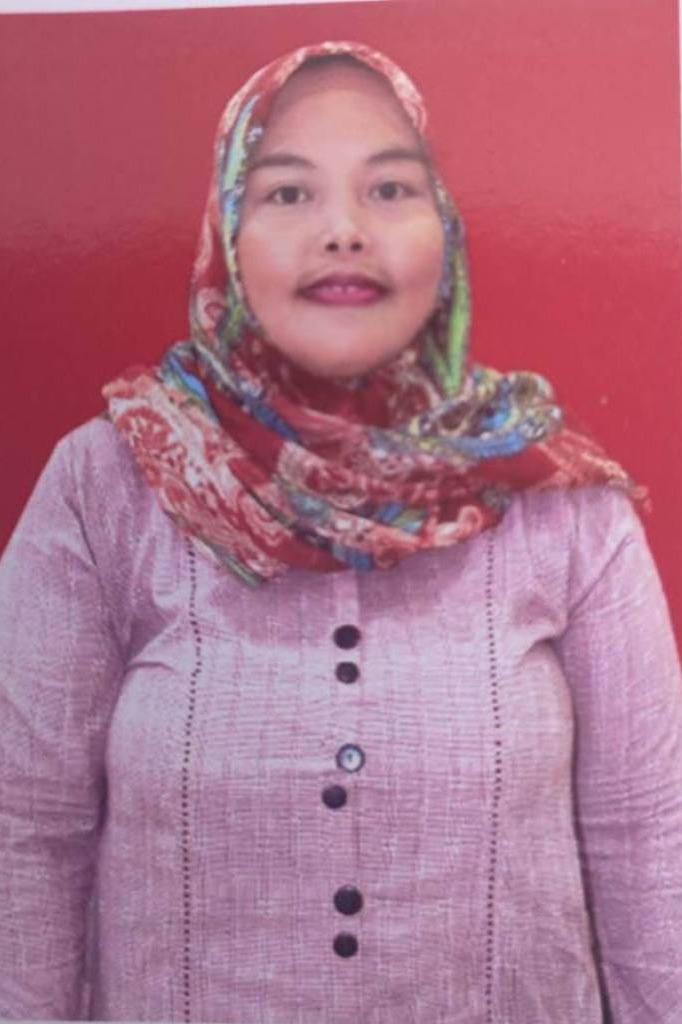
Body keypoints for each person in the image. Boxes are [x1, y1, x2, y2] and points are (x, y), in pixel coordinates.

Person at [1, 39, 681, 1024]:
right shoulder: (109, 482)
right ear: (227, 230)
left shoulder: (560, 503)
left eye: (390, 189)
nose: (343, 232)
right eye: (287, 193)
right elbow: (23, 831)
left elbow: (649, 837)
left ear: (443, 229)